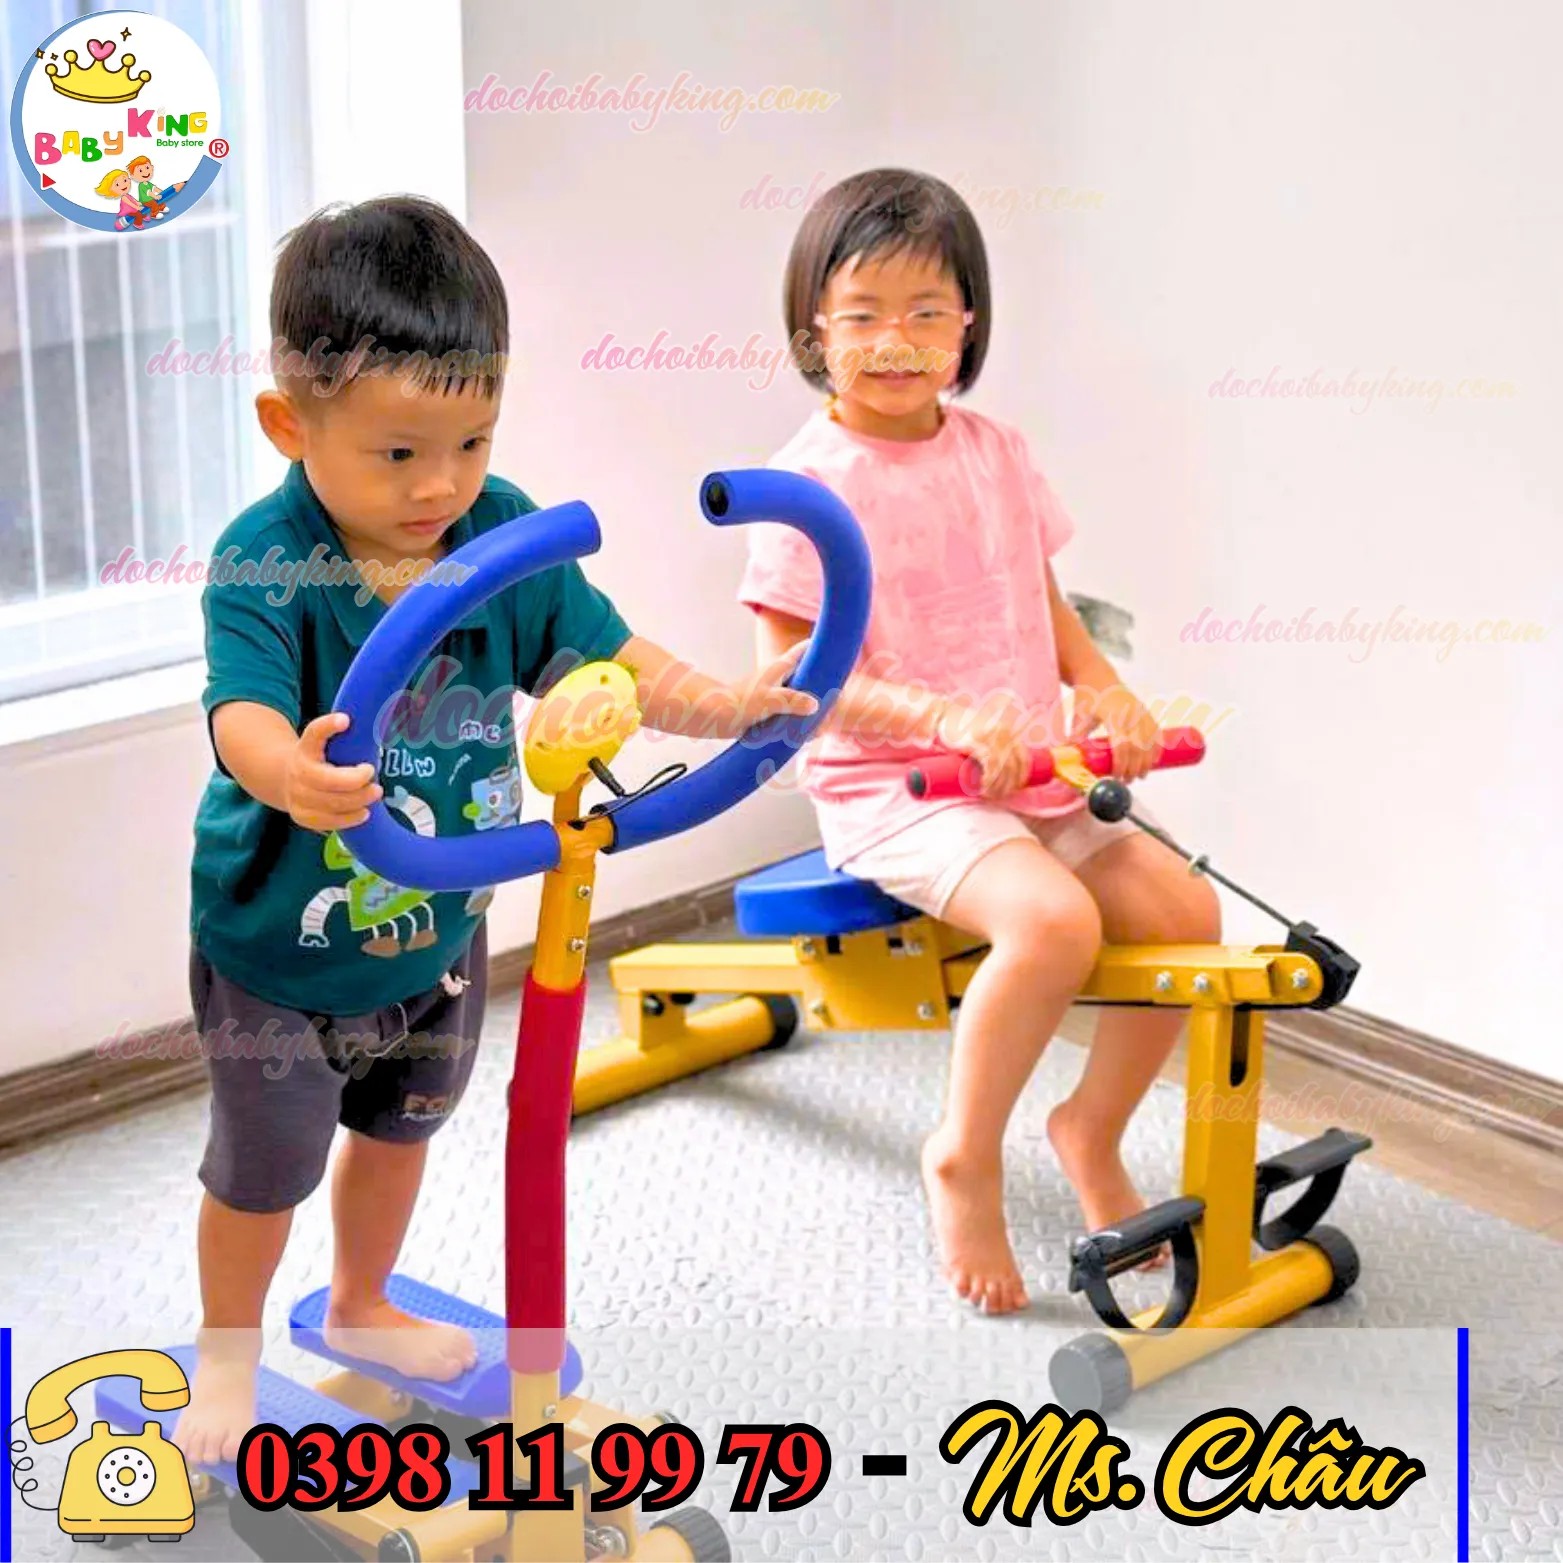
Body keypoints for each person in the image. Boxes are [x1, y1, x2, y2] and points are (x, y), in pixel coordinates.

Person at [178, 194, 813, 1462]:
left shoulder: (498, 529)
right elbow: (238, 708)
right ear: (290, 426)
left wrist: (725, 703)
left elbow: (607, 655)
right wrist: (288, 773)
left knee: (400, 1132)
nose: (442, 485)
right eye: (398, 453)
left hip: (441, 928)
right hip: (282, 952)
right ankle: (226, 1355)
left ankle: (361, 1301)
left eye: (472, 441)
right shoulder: (267, 559)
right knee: (264, 1172)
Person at [739, 168, 1220, 1315]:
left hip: (1032, 773)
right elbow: (788, 681)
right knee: (1054, 924)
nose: (894, 341)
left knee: (1188, 917)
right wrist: (943, 719)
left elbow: (1042, 602)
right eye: (863, 315)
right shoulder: (804, 487)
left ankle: (1089, 1130)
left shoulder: (996, 450)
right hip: (897, 785)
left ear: (968, 324)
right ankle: (963, 1152)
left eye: (925, 313)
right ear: (815, 329)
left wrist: (1106, 693)